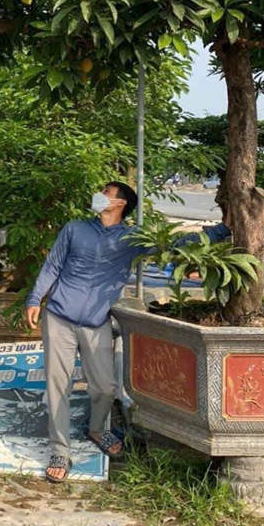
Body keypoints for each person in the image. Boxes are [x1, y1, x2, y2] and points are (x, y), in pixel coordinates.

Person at [24, 182, 232, 484]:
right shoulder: (75, 228)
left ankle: (96, 429)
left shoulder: (131, 238)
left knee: (105, 388)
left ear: (120, 203)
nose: (98, 196)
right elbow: (52, 266)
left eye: (105, 193)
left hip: (96, 322)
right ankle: (60, 450)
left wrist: (222, 230)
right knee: (58, 385)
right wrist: (34, 299)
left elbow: (175, 243)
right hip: (58, 317)